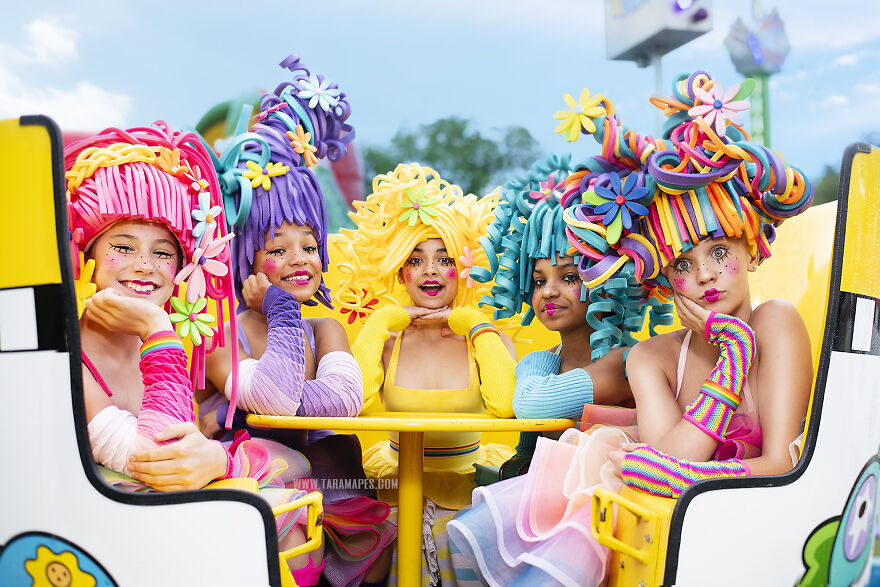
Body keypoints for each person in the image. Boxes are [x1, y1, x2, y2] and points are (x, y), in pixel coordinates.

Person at [447, 70, 814, 585]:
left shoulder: (775, 321)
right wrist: (729, 366)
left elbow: (779, 464)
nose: (704, 274)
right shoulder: (652, 358)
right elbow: (669, 467)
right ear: (664, 281)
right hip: (673, 531)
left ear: (750, 250)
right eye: (682, 264)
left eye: (719, 251)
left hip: (760, 532)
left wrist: (738, 351)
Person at [66, 122, 321, 583]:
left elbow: (290, 458)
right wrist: (155, 327)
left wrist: (221, 459)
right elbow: (159, 455)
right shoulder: (69, 357)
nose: (144, 265)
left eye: (163, 253)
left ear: (186, 267)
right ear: (85, 252)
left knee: (299, 492)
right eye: (123, 247)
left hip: (155, 532)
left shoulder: (170, 346)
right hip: (96, 551)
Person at [199, 55, 395, 587]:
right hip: (256, 502)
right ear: (244, 258)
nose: (301, 259)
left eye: (309, 245)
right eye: (277, 248)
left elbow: (341, 402)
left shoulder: (325, 325)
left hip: (338, 491)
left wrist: (289, 334)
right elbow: (276, 403)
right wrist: (282, 315)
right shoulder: (222, 333)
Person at [334, 162, 518, 584]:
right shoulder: (384, 342)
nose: (431, 270)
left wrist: (475, 325)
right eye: (416, 260)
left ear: (464, 269)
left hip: (470, 492)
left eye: (444, 258)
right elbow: (352, 402)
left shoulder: (487, 337)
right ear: (402, 272)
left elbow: (506, 405)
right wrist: (381, 321)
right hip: (395, 486)